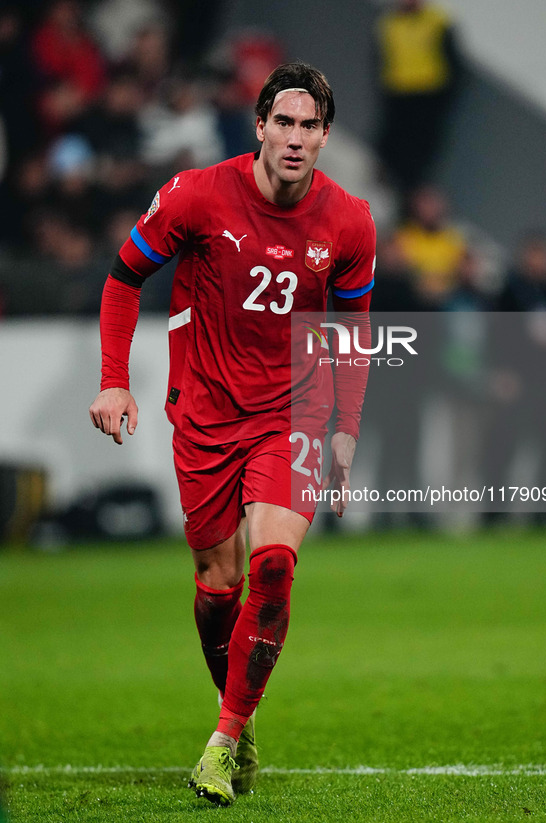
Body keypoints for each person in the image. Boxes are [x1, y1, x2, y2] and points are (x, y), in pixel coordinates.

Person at [89, 62, 375, 806]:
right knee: (219, 586)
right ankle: (240, 716)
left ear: (324, 136)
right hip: (208, 415)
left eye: (309, 125)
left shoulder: (349, 221)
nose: (294, 137)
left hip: (293, 414)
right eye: (282, 122)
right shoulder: (195, 196)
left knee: (273, 565)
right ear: (258, 127)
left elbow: (354, 332)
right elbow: (124, 278)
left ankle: (221, 738)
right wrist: (113, 379)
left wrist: (345, 429)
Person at [375, 0, 462, 194]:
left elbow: (453, 62)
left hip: (428, 95)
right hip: (398, 94)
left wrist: (444, 97)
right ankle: (389, 180)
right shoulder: (388, 23)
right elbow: (380, 58)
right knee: (391, 142)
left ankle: (411, 190)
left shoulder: (438, 21)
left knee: (420, 150)